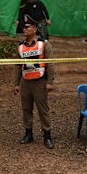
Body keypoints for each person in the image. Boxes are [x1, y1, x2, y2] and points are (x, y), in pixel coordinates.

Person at [13, 15, 55, 149]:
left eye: (27, 27)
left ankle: (47, 135)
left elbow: (50, 64)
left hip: (40, 82)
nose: (24, 29)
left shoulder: (44, 44)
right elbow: (17, 65)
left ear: (35, 29)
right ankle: (28, 133)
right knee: (26, 109)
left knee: (43, 109)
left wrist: (50, 82)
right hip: (26, 81)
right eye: (23, 27)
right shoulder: (20, 47)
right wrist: (15, 83)